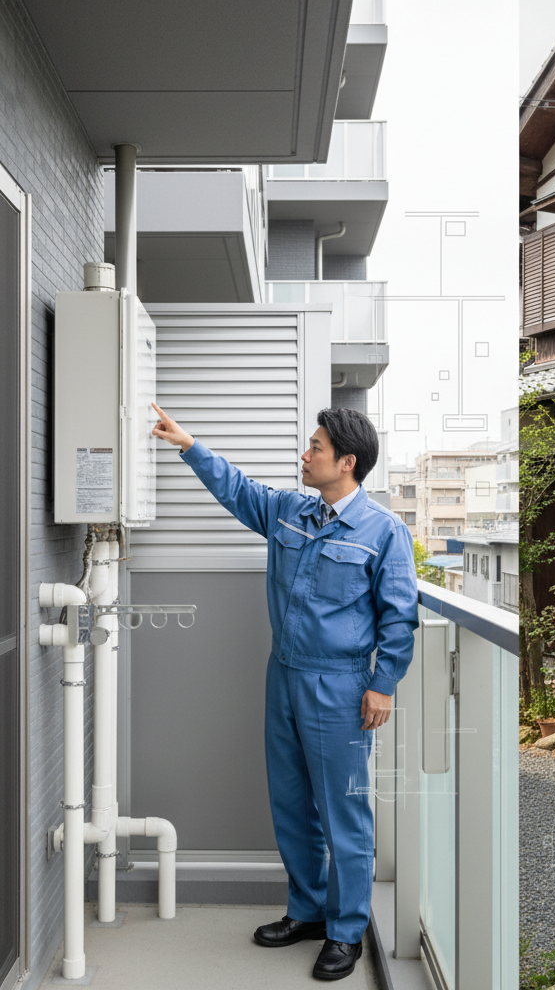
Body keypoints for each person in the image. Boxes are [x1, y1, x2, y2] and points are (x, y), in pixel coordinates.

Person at [151, 402, 418, 980]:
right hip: (285, 674)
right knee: (292, 803)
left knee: (343, 812)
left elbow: (399, 617)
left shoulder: (384, 531)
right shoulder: (291, 511)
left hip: (342, 684)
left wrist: (383, 686)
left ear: (346, 462)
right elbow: (238, 490)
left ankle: (346, 929)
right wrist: (188, 444)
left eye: (315, 447)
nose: (305, 454)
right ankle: (308, 910)